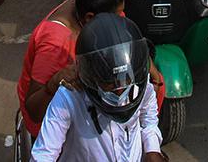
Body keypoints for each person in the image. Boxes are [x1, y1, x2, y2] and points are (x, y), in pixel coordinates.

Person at [31, 14, 165, 162]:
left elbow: (149, 118)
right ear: (92, 76)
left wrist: (153, 150)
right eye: (109, 84)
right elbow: (44, 154)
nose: (120, 90)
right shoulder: (69, 96)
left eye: (125, 80)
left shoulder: (140, 84)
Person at [17, 0, 126, 140]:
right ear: (90, 18)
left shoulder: (85, 1)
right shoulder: (55, 45)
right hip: (49, 119)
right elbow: (34, 110)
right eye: (117, 16)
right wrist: (53, 84)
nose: (121, 19)